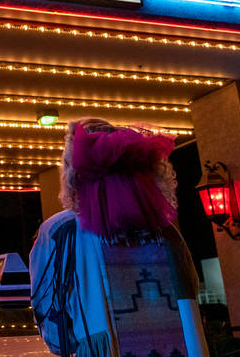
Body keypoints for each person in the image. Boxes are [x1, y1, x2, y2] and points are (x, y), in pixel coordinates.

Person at [29, 118, 207, 357]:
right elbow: (191, 289)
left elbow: (48, 308)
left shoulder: (62, 231)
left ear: (74, 172)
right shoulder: (165, 231)